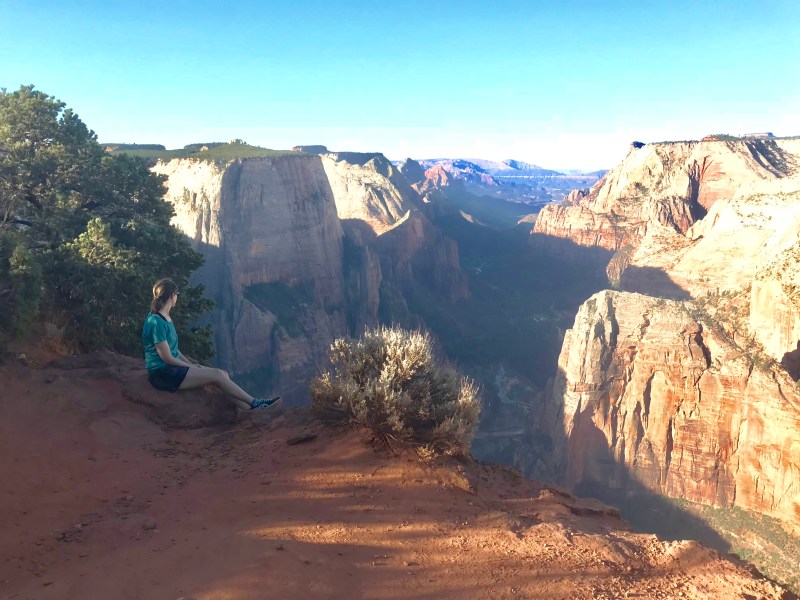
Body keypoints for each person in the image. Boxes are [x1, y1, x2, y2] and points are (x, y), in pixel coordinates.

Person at [142, 278, 280, 412]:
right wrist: (190, 367)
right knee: (217, 375)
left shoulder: (165, 317)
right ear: (172, 296)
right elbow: (167, 357)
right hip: (163, 374)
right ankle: (256, 403)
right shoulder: (156, 322)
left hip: (173, 369)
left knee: (223, 374)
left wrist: (190, 363)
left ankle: (247, 409)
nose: (177, 297)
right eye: (176, 294)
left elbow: (173, 349)